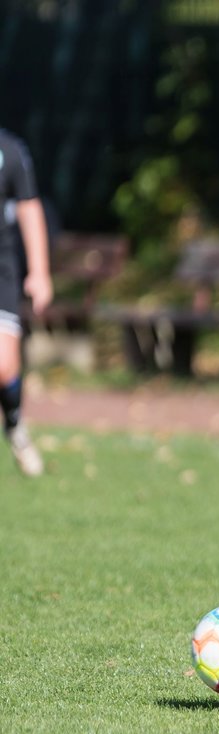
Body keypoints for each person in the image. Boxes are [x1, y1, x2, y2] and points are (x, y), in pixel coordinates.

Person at [0, 128, 50, 477]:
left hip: (0, 270)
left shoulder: (10, 150)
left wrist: (40, 271)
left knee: (4, 365)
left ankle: (15, 424)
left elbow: (29, 209)